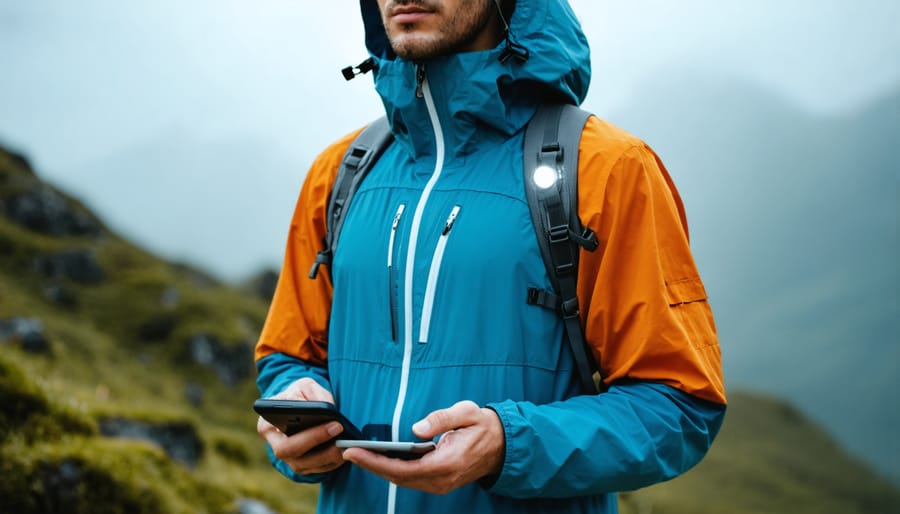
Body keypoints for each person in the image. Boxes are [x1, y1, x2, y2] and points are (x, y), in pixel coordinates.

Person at [254, 0, 727, 512]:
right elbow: (287, 357)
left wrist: (511, 445)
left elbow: (679, 405)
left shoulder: (607, 170)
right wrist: (295, 408)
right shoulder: (341, 174)